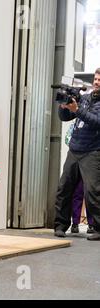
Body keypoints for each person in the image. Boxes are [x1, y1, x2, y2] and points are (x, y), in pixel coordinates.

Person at [54, 68, 100, 241]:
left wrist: (77, 109)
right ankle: (60, 226)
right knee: (64, 188)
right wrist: (64, 106)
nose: (96, 82)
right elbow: (65, 117)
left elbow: (96, 122)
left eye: (99, 80)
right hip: (75, 149)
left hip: (93, 151)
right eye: (95, 79)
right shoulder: (86, 98)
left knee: (93, 192)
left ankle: (98, 228)